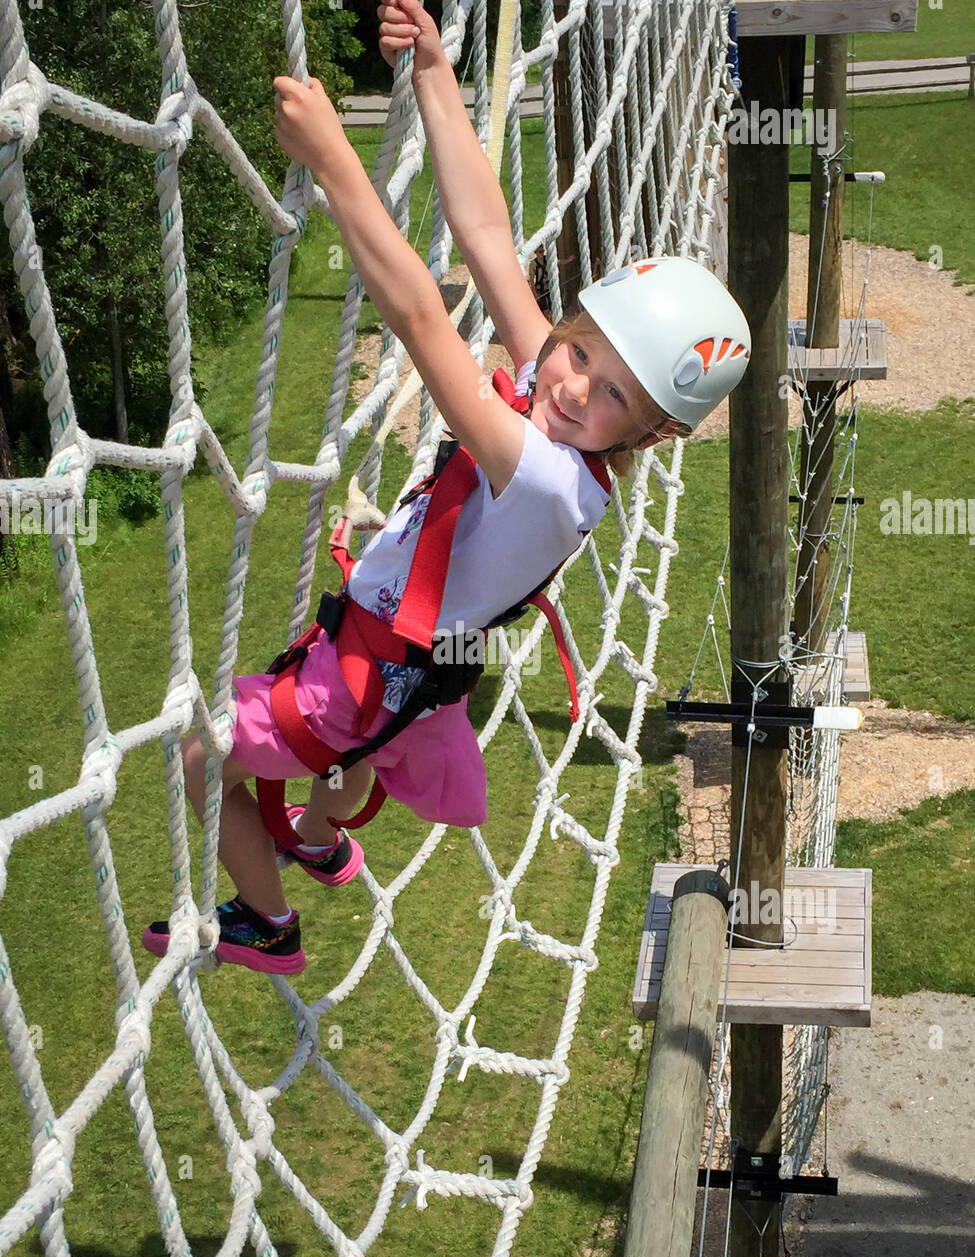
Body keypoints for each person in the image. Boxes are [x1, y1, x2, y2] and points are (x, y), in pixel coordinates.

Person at [143, 0, 751, 977]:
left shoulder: (551, 475)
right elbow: (486, 235)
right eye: (579, 347)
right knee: (344, 761)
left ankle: (265, 922)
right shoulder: (562, 400)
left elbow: (427, 324)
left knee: (197, 756)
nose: (568, 380)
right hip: (421, 681)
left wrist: (339, 163)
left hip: (378, 674)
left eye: (609, 394)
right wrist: (433, 72)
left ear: (654, 432)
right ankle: (318, 833)